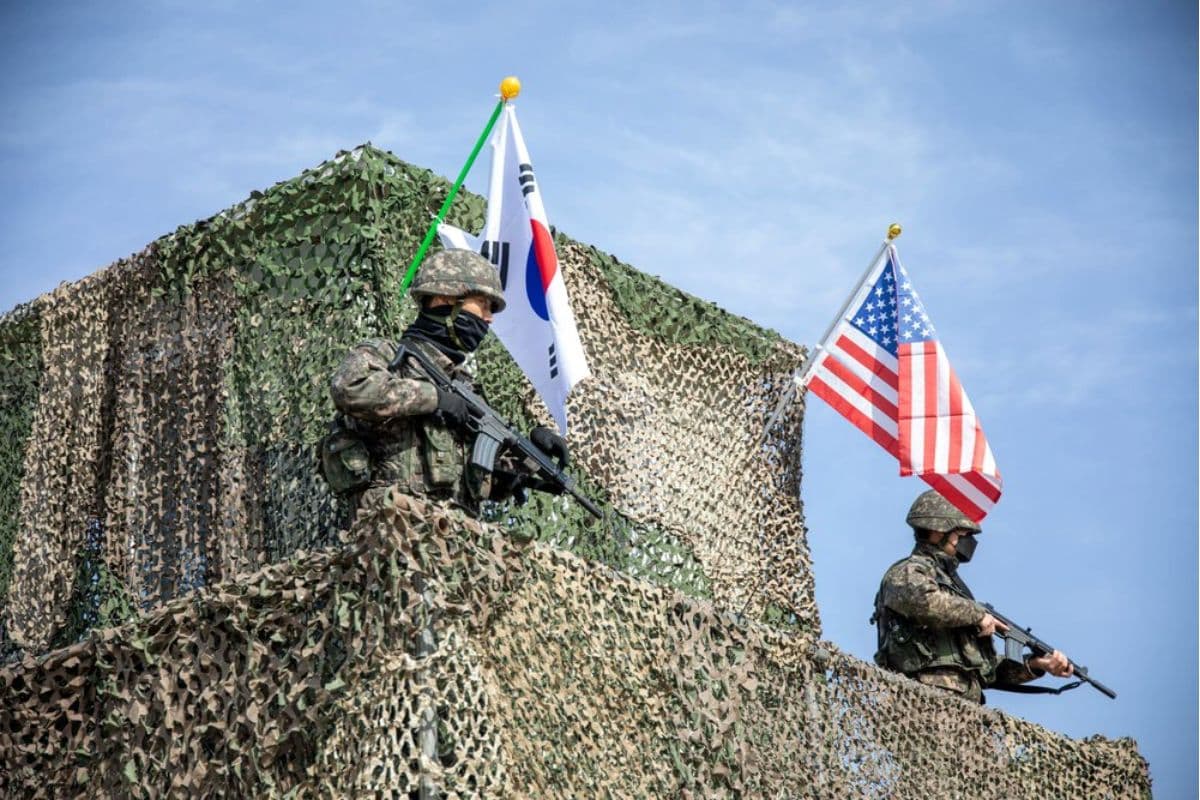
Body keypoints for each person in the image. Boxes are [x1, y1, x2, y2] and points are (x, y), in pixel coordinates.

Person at [324, 248, 568, 520]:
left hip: (453, 542)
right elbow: (350, 388)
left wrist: (532, 459)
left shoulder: (467, 388)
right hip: (389, 534)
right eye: (484, 305)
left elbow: (484, 479)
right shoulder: (387, 355)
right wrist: (433, 398)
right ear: (445, 298)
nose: (489, 319)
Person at [871, 489, 1073, 704]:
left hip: (965, 710)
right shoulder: (909, 571)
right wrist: (978, 614)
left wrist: (1037, 664)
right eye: (960, 535)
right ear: (939, 532)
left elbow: (987, 670)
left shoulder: (954, 590)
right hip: (919, 699)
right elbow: (925, 602)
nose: (964, 543)